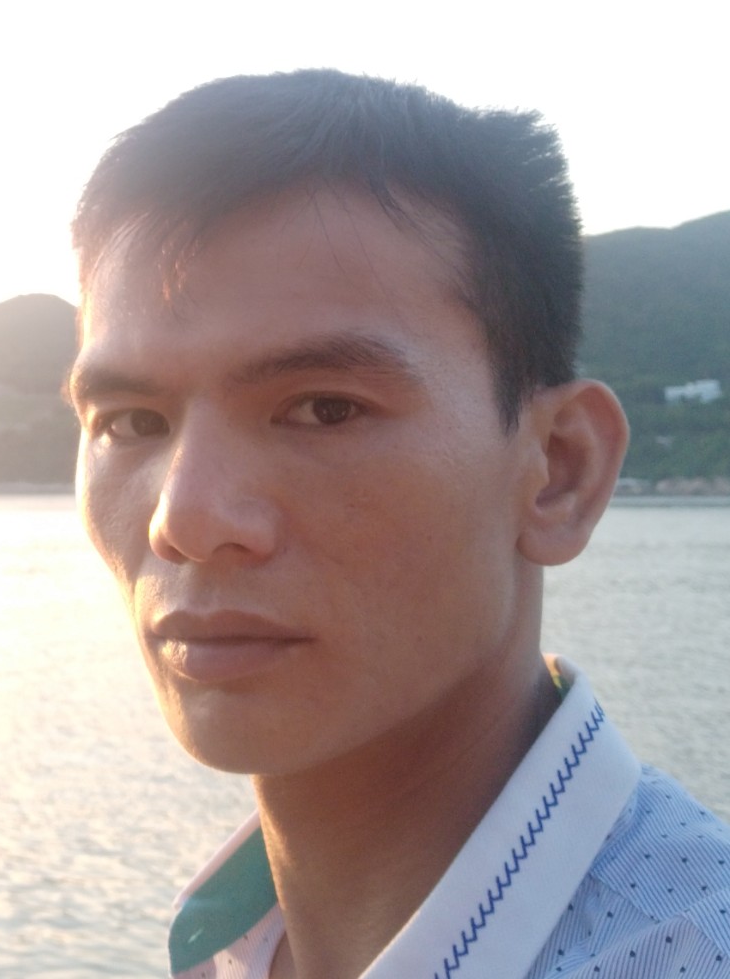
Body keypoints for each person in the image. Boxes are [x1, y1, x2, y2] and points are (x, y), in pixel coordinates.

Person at [67, 70, 730, 978]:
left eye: (325, 410)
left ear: (560, 471)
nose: (184, 519)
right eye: (131, 423)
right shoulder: (233, 942)